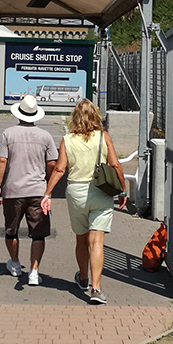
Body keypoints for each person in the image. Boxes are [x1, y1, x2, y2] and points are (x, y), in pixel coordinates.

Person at [41, 99, 127, 305]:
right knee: (96, 241)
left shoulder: (67, 139)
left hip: (76, 192)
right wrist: (122, 190)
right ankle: (96, 289)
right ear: (95, 116)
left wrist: (47, 193)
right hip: (101, 192)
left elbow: (60, 169)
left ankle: (83, 278)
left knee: (81, 239)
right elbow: (115, 165)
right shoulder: (103, 137)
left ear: (75, 117)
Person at [0, 95, 58, 286]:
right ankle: (34, 271)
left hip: (13, 190)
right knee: (38, 233)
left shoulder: (8, 133)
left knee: (11, 230)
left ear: (19, 114)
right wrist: (48, 187)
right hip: (38, 190)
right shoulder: (45, 136)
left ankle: (14, 263)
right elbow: (53, 163)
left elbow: (1, 160)